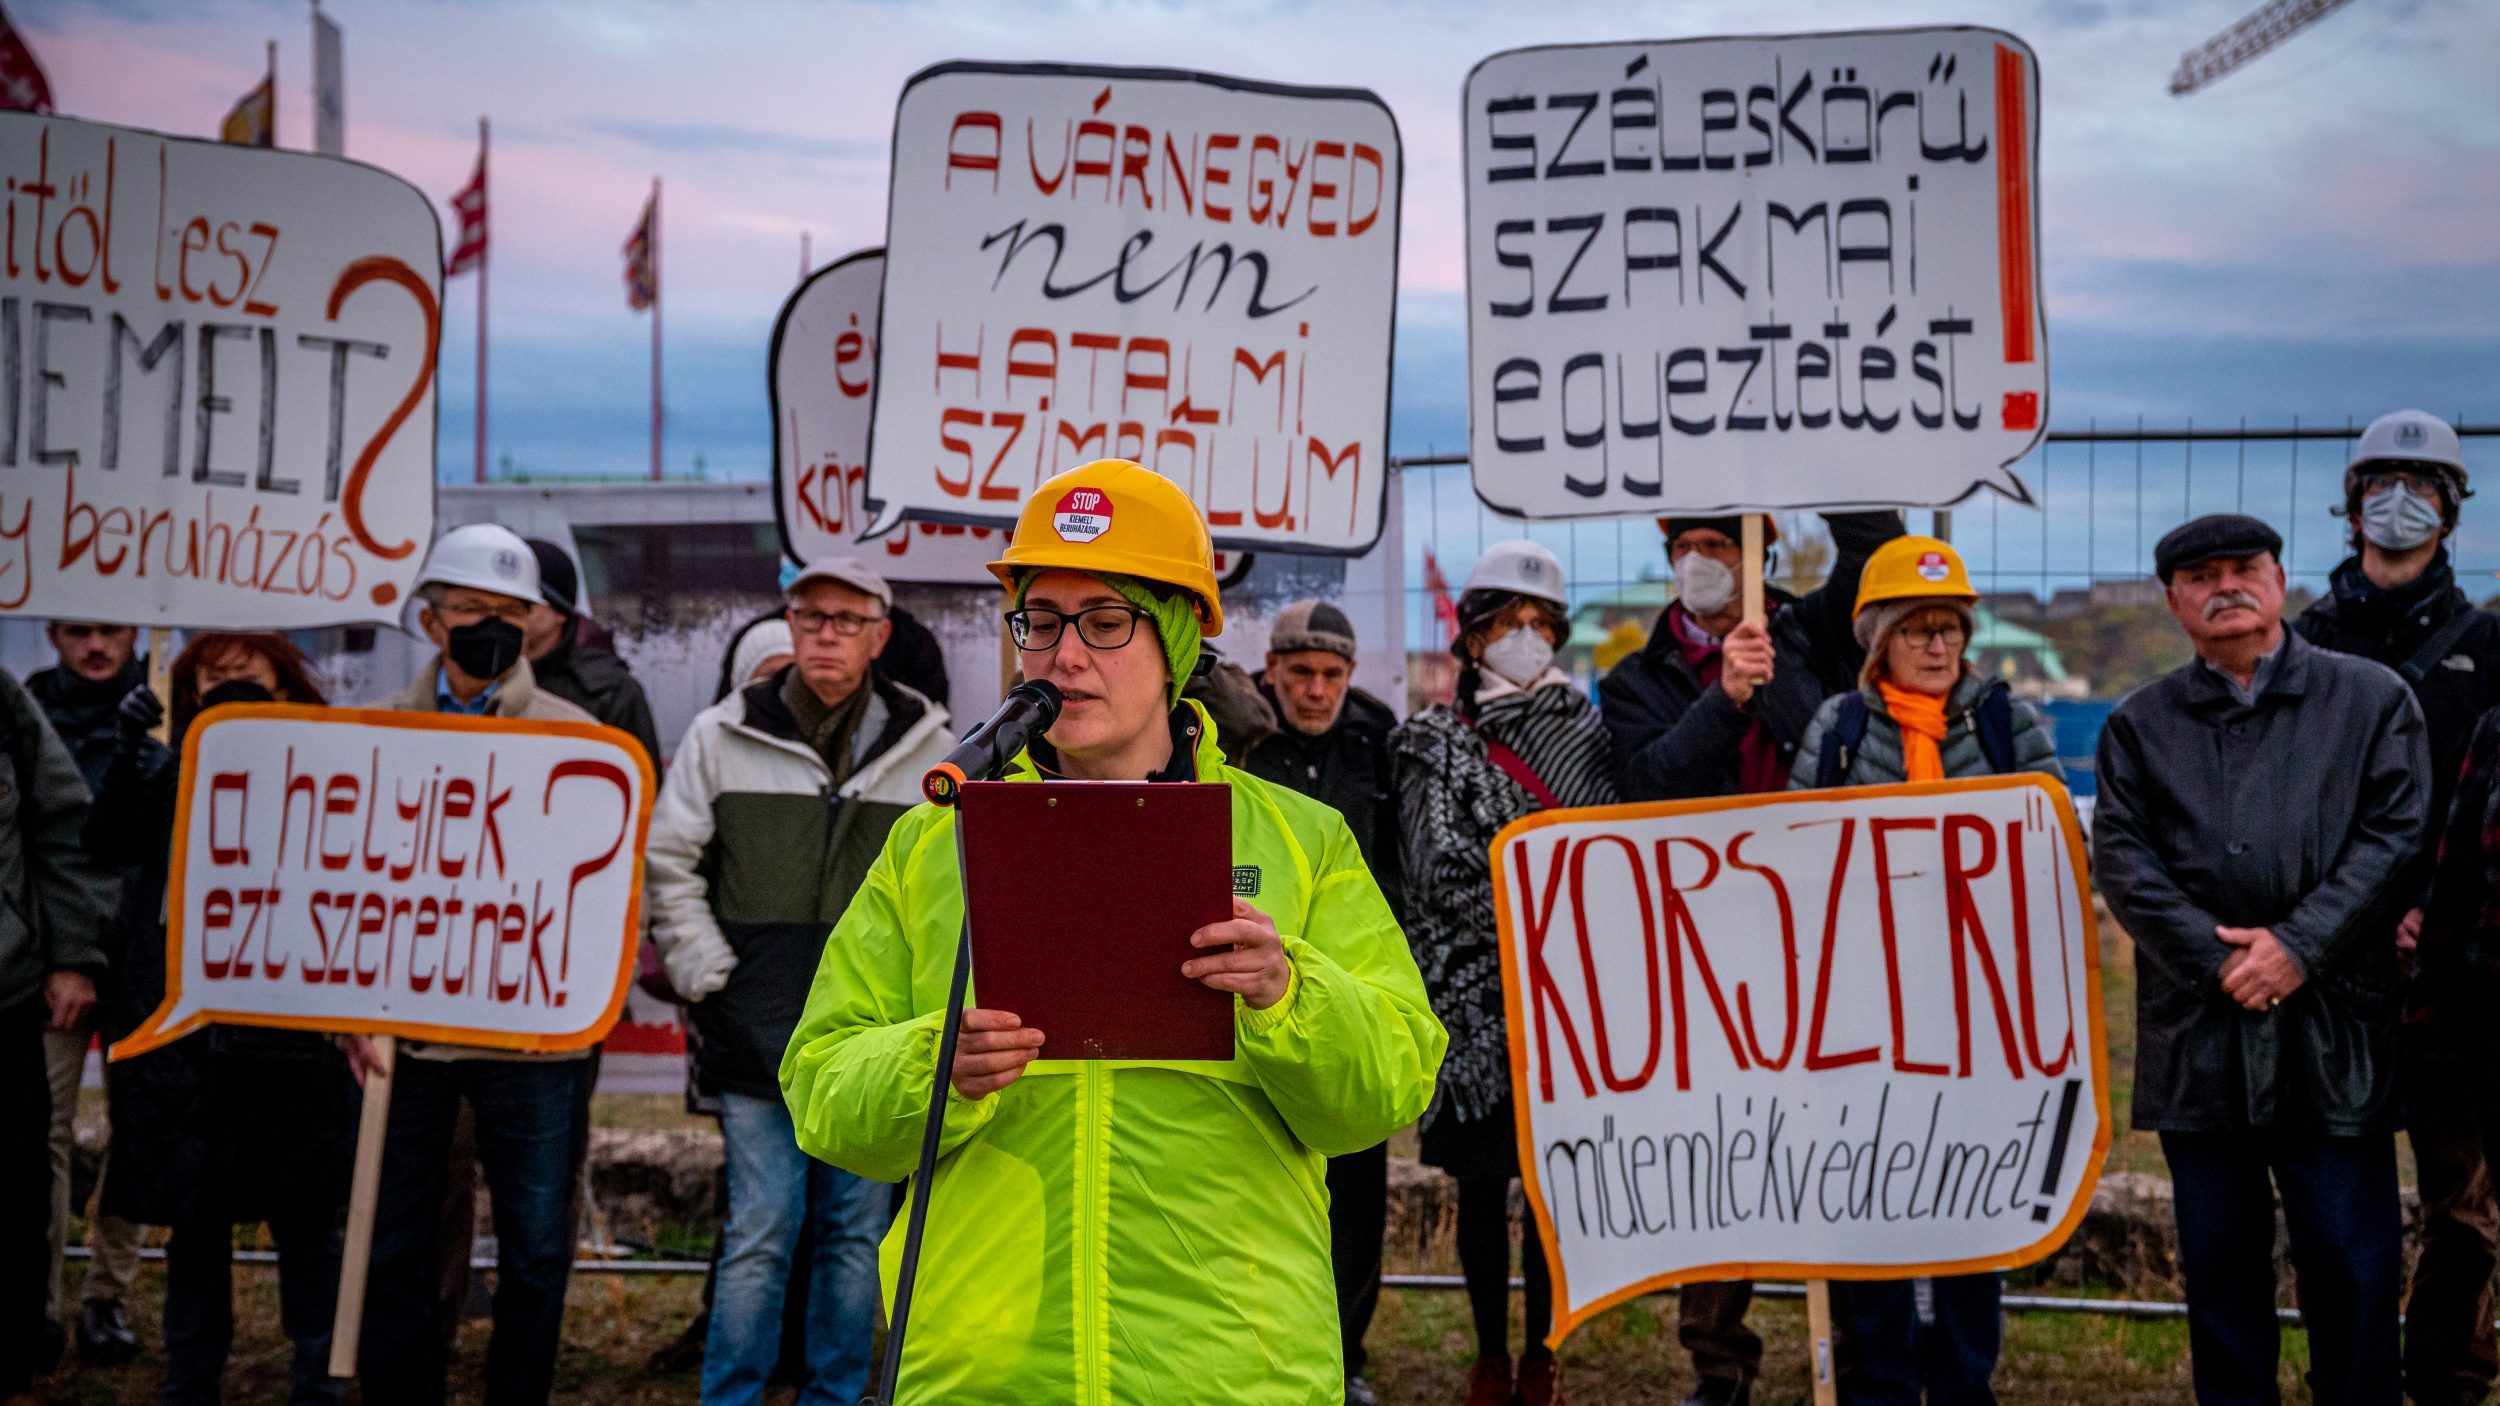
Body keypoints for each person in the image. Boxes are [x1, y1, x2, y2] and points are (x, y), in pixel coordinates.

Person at [782, 459, 1444, 1406]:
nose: (1064, 655)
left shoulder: (1301, 841)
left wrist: (1288, 993)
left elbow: (1389, 1088)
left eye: (1104, 622)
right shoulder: (932, 844)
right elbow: (819, 1087)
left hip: (1231, 1370)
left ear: (1175, 636)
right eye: (1041, 622)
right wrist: (933, 1069)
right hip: (987, 1374)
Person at [2094, 514, 2426, 1405]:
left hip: (2332, 1033)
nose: (2225, 586)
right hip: (2202, 1040)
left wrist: (2299, 947)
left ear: (2282, 581)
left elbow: (2396, 836)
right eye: (2200, 576)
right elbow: (2122, 861)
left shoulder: (2371, 700)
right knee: (2221, 1277)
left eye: (2244, 567)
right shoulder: (2138, 724)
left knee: (2353, 1270)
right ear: (2173, 602)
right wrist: (2225, 965)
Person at [1597, 510, 1901, 1404]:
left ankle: (1856, 1349)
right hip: (1709, 948)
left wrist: (1807, 454)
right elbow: (1648, 784)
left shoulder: (1814, 632)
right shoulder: (1634, 678)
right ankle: (1719, 1363)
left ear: (1760, 550)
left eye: (1719, 544)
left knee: (1842, 1143)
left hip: (1830, 934)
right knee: (1721, 1149)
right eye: (1682, 548)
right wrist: (1723, 699)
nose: (1698, 562)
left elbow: (1875, 548)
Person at [646, 556, 951, 1406]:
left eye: (847, 621)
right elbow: (670, 863)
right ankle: (732, 1397)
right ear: (789, 624)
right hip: (753, 1030)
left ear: (879, 637)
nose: (825, 634)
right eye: (810, 617)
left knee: (855, 1234)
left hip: (872, 1037)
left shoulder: (933, 748)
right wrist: (712, 975)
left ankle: (835, 1395)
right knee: (760, 1232)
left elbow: (949, 886)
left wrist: (920, 1002)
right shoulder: (721, 732)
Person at [1790, 537, 2059, 1404]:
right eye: (1917, 630)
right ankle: (1880, 1378)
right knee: (1872, 1198)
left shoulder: (2005, 725)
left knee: (1972, 1198)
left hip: (1979, 1017)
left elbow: (2054, 848)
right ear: (1880, 642)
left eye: (1950, 628)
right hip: (1865, 1017)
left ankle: (1964, 1379)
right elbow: (1795, 849)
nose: (1938, 646)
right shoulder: (1842, 727)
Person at [351, 523, 597, 1406]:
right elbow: (343, 887)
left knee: (536, 1252)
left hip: (534, 1051)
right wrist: (349, 1008)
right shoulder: (374, 735)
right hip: (405, 1044)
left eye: (508, 611)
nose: (490, 626)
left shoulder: (581, 739)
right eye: (469, 609)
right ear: (430, 620)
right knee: (395, 1245)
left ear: (533, 620)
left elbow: (606, 895)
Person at [2289, 410, 2500, 1406]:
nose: (2398, 498)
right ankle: (2354, 1376)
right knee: (2338, 1198)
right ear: (2351, 503)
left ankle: (2449, 1373)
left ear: (2451, 509)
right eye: (2380, 480)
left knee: (2462, 1198)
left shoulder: (2489, 647)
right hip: (2329, 965)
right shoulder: (2300, 644)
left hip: (2450, 969)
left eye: (2421, 482)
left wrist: (2434, 911)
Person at [92, 635, 359, 1405]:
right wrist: (129, 755)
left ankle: (319, 1374)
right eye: (212, 679)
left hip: (293, 1031)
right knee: (194, 1218)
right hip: (186, 1039)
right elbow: (107, 842)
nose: (229, 691)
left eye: (247, 677)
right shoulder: (162, 761)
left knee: (306, 1217)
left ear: (286, 687)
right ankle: (190, 1377)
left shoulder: (329, 764)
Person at [1392, 539, 1615, 1406]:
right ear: (1472, 638)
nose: (1525, 635)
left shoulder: (1590, 736)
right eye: (1506, 622)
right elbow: (1434, 867)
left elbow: (1609, 847)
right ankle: (1491, 1350)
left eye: (1539, 622)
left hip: (1571, 1003)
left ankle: (1546, 1351)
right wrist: (1541, 899)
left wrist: (1531, 885)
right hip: (1477, 1009)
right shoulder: (1428, 742)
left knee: (1555, 1183)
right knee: (1483, 1186)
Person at [1243, 598, 1404, 1406]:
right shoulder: (1233, 743)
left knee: (1359, 1192)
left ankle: (1347, 1358)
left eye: (1331, 674)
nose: (1315, 690)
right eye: (1300, 672)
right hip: (1257, 1004)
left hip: (1350, 998)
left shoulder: (1380, 748)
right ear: (1271, 670)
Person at [25, 621, 147, 1367]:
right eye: (78, 632)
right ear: (53, 634)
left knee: (138, 1132)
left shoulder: (166, 700)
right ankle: (36, 1300)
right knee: (45, 1128)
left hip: (142, 954)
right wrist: (66, 950)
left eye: (109, 632)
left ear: (134, 631)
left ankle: (107, 1296)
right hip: (59, 955)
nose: (95, 646)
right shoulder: (30, 711)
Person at [0, 664, 111, 1398]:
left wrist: (72, 953)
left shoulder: (4, 703)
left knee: (15, 1179)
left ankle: (12, 1349)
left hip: (4, 994)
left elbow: (64, 828)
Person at [523, 537, 663, 766]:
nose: (509, 615)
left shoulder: (609, 692)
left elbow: (641, 785)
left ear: (560, 612)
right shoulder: (474, 675)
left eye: (527, 603)